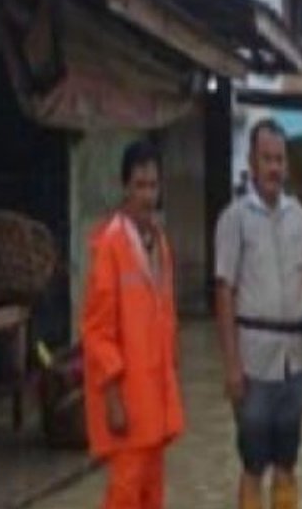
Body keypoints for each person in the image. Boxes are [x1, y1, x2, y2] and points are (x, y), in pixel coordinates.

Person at [215, 119, 302, 509]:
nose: (274, 167)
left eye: (280, 159)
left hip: (293, 361)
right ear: (251, 161)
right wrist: (231, 365)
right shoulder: (234, 219)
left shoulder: (299, 216)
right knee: (252, 463)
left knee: (288, 462)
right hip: (253, 363)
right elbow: (224, 292)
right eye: (267, 159)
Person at [82, 141, 184, 509]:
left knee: (151, 497)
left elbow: (166, 318)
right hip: (128, 400)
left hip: (155, 400)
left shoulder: (160, 243)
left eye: (153, 186)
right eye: (140, 185)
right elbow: (97, 331)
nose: (147, 195)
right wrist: (112, 400)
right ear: (126, 187)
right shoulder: (111, 244)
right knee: (125, 495)